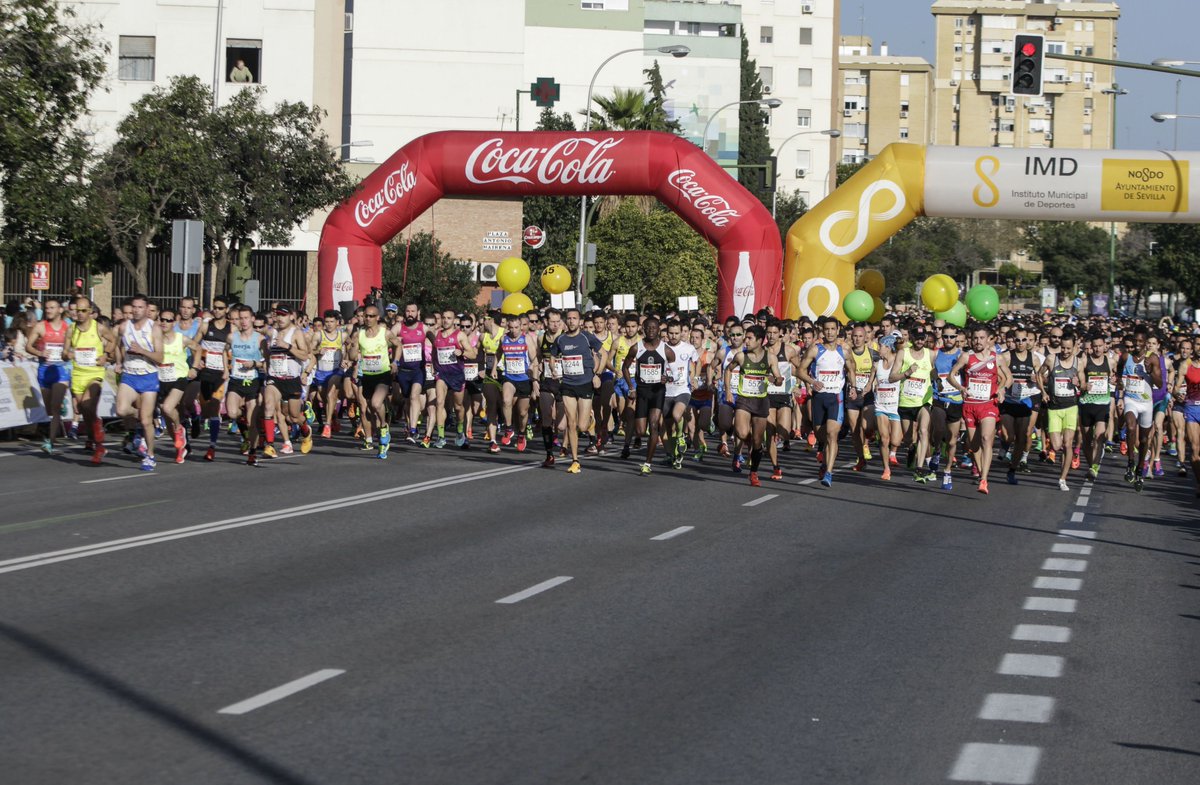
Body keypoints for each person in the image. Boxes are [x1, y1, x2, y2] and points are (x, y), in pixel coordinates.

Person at [949, 324, 1010, 495]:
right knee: (974, 445)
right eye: (975, 338)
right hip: (970, 405)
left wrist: (1002, 388)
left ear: (988, 339)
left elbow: (1008, 377)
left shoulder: (996, 358)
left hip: (988, 405)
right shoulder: (967, 357)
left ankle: (984, 479)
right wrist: (961, 388)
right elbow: (951, 375)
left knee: (986, 438)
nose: (978, 341)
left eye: (981, 338)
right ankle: (980, 467)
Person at [797, 317, 857, 487]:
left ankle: (829, 472)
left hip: (836, 397)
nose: (830, 332)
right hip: (819, 397)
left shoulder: (844, 351)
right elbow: (800, 371)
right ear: (822, 331)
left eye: (833, 329)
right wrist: (811, 381)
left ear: (838, 330)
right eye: (827, 329)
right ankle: (824, 461)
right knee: (820, 434)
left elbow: (851, 370)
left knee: (832, 434)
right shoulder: (815, 350)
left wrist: (853, 387)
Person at [723, 324, 783, 487]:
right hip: (744, 399)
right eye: (745, 337)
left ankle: (754, 472)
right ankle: (749, 445)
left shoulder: (770, 358)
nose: (746, 341)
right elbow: (728, 370)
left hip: (761, 402)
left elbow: (778, 378)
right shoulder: (741, 357)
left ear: (759, 340)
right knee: (741, 433)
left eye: (749, 338)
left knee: (757, 441)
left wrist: (776, 380)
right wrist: (728, 390)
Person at [115, 294, 164, 472]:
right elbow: (118, 346)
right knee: (121, 410)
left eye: (140, 307)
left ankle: (150, 455)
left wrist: (142, 351)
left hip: (148, 376)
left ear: (146, 309)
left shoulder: (154, 329)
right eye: (133, 307)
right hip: (129, 375)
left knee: (145, 422)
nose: (136, 310)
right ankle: (142, 413)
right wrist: (119, 362)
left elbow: (160, 357)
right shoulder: (123, 327)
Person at [553, 308, 605, 474]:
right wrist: (553, 368)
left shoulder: (586, 337)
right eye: (568, 318)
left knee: (582, 426)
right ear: (565, 321)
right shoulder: (560, 339)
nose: (571, 321)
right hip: (568, 384)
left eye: (574, 318)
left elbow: (603, 353)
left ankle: (590, 422)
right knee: (571, 422)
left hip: (585, 383)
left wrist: (597, 374)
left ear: (579, 321)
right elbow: (553, 356)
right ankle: (575, 460)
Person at [621, 316, 675, 475]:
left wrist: (668, 378)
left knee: (653, 426)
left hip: (658, 392)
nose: (651, 330)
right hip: (642, 392)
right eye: (648, 328)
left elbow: (676, 373)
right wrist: (631, 387)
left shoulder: (666, 350)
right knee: (640, 431)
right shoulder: (636, 348)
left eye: (654, 328)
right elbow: (625, 368)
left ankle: (647, 463)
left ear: (659, 330)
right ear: (643, 329)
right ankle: (641, 445)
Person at [66, 295, 117, 464]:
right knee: (84, 411)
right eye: (76, 310)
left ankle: (99, 444)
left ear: (90, 312)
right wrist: (67, 354)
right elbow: (64, 353)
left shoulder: (99, 328)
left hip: (95, 373)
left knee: (88, 405)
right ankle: (95, 439)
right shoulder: (71, 329)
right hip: (78, 374)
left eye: (83, 310)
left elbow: (113, 340)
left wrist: (106, 355)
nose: (79, 314)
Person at [261, 306, 314, 458]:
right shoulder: (272, 333)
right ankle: (270, 445)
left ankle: (305, 430)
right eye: (277, 315)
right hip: (275, 378)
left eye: (283, 315)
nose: (279, 318)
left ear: (291, 316)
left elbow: (305, 356)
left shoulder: (296, 333)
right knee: (269, 406)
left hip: (292, 379)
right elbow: (266, 351)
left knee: (293, 417)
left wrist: (287, 346)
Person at [349, 305, 399, 458]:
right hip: (367, 375)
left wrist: (395, 362)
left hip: (383, 374)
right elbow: (352, 356)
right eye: (366, 316)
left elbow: (399, 345)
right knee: (371, 407)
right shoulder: (360, 334)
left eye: (371, 316)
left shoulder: (386, 333)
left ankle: (384, 428)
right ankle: (382, 440)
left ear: (378, 317)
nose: (368, 319)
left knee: (376, 403)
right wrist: (352, 347)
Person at [25, 297, 72, 454]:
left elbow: (77, 346)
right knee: (48, 409)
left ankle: (50, 442)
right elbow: (28, 346)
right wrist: (40, 352)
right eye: (46, 308)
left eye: (52, 307)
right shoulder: (40, 327)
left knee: (55, 407)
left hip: (61, 370)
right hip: (45, 370)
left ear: (60, 310)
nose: (48, 310)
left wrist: (69, 354)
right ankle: (60, 406)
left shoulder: (68, 327)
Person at [1117, 328, 1162, 490]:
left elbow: (1159, 384)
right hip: (1131, 399)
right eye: (1135, 341)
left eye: (1140, 341)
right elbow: (1119, 370)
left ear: (1145, 343)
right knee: (1130, 426)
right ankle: (1130, 461)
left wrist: (1150, 372)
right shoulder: (1126, 357)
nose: (1137, 344)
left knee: (1144, 441)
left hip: (1146, 403)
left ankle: (1140, 468)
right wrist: (1120, 382)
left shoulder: (1153, 358)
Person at [1040, 331, 1085, 492]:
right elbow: (1039, 374)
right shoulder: (1052, 359)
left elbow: (1084, 385)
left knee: (1067, 444)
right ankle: (1059, 462)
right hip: (1054, 408)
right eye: (1063, 348)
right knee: (1057, 446)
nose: (1065, 351)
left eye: (1068, 349)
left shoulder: (1078, 363)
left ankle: (1063, 478)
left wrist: (1078, 383)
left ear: (1074, 347)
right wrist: (1044, 392)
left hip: (1071, 408)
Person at [890, 327, 935, 482]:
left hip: (924, 401)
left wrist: (937, 380)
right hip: (906, 401)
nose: (920, 341)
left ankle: (919, 468)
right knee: (909, 439)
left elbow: (934, 372)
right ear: (911, 337)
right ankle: (911, 448)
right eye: (917, 337)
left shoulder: (931, 354)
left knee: (923, 431)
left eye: (923, 338)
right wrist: (907, 373)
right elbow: (891, 377)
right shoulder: (903, 353)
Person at [225, 305, 267, 465]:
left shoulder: (259, 339)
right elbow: (224, 351)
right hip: (236, 379)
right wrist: (225, 369)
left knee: (252, 421)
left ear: (252, 319)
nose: (243, 321)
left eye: (246, 318)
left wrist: (255, 363)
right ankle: (245, 434)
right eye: (240, 318)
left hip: (253, 381)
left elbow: (266, 363)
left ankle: (253, 452)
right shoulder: (231, 337)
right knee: (232, 413)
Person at [430, 308, 477, 449]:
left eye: (449, 318)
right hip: (442, 374)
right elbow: (434, 352)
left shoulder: (460, 335)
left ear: (454, 320)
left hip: (456, 375)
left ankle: (459, 431)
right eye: (443, 317)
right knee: (439, 402)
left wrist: (461, 352)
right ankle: (441, 436)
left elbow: (473, 354)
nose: (445, 320)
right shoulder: (437, 334)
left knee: (458, 407)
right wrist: (433, 366)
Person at [155, 306, 196, 464]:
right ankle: (180, 448)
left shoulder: (181, 339)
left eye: (168, 320)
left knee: (167, 408)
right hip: (162, 379)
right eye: (162, 319)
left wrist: (193, 367)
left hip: (179, 378)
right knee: (166, 415)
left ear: (175, 322)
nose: (164, 322)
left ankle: (180, 428)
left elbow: (197, 349)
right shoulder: (155, 340)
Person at [1078, 333, 1116, 481]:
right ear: (1091, 347)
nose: (1098, 349)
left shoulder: (1110, 361)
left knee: (1098, 436)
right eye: (1095, 346)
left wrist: (1114, 380)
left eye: (1100, 346)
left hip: (1102, 404)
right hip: (1086, 404)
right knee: (1086, 440)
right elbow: (1079, 382)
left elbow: (1116, 378)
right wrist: (1083, 385)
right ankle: (1092, 466)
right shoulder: (1084, 361)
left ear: (1105, 346)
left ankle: (1094, 467)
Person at [498, 313, 537, 454]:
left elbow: (534, 360)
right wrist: (494, 369)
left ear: (521, 327)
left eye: (516, 327)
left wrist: (535, 379)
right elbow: (498, 352)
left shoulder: (526, 339)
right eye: (511, 327)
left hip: (524, 379)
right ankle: (508, 429)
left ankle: (521, 434)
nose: (514, 330)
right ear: (508, 327)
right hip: (510, 377)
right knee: (506, 400)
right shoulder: (504, 339)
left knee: (522, 412)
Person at [872, 334, 902, 480]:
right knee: (884, 439)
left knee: (895, 441)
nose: (878, 349)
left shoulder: (899, 362)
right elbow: (869, 384)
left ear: (888, 347)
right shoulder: (876, 364)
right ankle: (886, 469)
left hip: (895, 407)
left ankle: (893, 453)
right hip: (880, 406)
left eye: (881, 346)